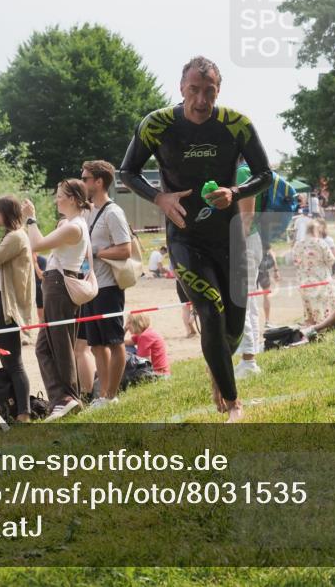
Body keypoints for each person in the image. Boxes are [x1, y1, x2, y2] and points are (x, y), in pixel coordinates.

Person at [119, 55, 272, 423]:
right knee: (211, 312)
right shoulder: (157, 125)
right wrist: (159, 197)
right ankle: (234, 403)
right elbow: (127, 171)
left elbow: (266, 174)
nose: (201, 100)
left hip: (229, 237)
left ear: (219, 90)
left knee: (234, 327)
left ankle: (218, 367)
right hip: (186, 238)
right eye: (194, 91)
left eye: (209, 91)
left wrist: (234, 192)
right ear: (181, 88)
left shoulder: (236, 124)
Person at [22, 180, 93, 421]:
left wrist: (31, 218)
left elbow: (37, 244)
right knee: (43, 347)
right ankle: (60, 399)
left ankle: (69, 398)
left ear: (72, 199)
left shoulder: (74, 227)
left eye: (60, 195)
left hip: (59, 287)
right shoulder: (72, 224)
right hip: (55, 284)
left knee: (61, 345)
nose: (56, 199)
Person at [81, 159, 134, 408]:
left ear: (99, 182)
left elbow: (126, 250)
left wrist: (98, 252)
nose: (82, 182)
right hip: (91, 287)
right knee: (96, 346)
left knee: (114, 342)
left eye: (85, 178)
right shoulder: (88, 211)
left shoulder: (113, 212)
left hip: (109, 286)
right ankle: (102, 394)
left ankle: (112, 395)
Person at [0, 194, 37, 423]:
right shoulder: (14, 235)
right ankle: (18, 409)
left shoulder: (14, 237)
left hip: (4, 304)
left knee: (13, 362)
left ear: (5, 213)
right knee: (9, 361)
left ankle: (24, 413)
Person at [234, 160, 264, 379]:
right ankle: (251, 353)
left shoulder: (241, 172)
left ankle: (249, 359)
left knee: (241, 300)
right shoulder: (243, 170)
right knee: (249, 300)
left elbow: (246, 215)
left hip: (243, 241)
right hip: (248, 240)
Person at [293, 218, 335, 325]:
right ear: (317, 230)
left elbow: (295, 262)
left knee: (309, 306)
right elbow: (331, 260)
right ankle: (324, 326)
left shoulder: (297, 245)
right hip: (320, 278)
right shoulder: (320, 243)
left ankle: (311, 326)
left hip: (304, 280)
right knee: (323, 304)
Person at [125, 312, 170, 377]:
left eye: (129, 323)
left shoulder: (145, 336)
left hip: (159, 374)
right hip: (161, 372)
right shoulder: (144, 332)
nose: (127, 326)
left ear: (137, 323)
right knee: (126, 349)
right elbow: (122, 343)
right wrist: (125, 329)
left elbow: (144, 362)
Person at [257, 247, 279, 325]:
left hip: (253, 269)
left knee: (250, 298)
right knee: (266, 295)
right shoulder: (262, 235)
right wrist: (276, 270)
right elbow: (271, 252)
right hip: (261, 269)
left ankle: (266, 320)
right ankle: (267, 320)